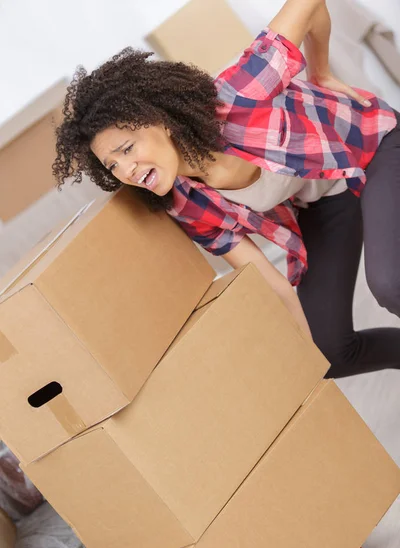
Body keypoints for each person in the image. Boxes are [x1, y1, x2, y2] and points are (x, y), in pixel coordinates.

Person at [53, 0, 400, 379]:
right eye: (112, 167)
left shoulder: (238, 95)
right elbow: (271, 283)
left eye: (127, 150)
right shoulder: (185, 202)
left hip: (373, 147)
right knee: (329, 352)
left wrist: (321, 71)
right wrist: (308, 364)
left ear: (159, 122)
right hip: (326, 198)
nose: (127, 170)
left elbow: (309, 3)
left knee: (390, 282)